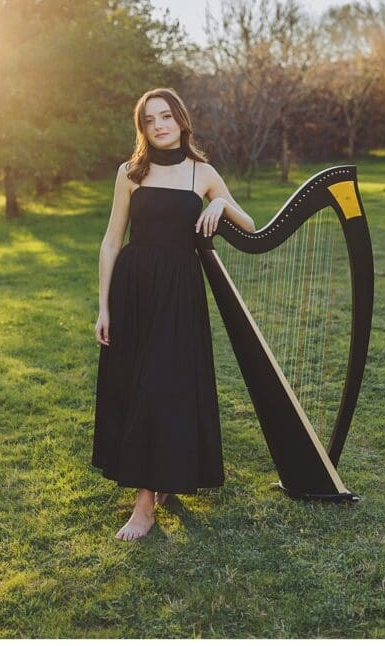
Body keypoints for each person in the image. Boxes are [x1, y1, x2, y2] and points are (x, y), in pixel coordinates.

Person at [93, 88, 255, 541]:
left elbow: (251, 224)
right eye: (150, 120)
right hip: (134, 289)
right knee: (141, 383)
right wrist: (104, 306)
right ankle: (149, 492)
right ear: (142, 128)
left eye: (166, 116)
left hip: (180, 292)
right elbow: (111, 240)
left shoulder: (201, 173)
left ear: (181, 120)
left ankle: (148, 497)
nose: (160, 125)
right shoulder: (131, 172)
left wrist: (220, 203)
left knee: (163, 384)